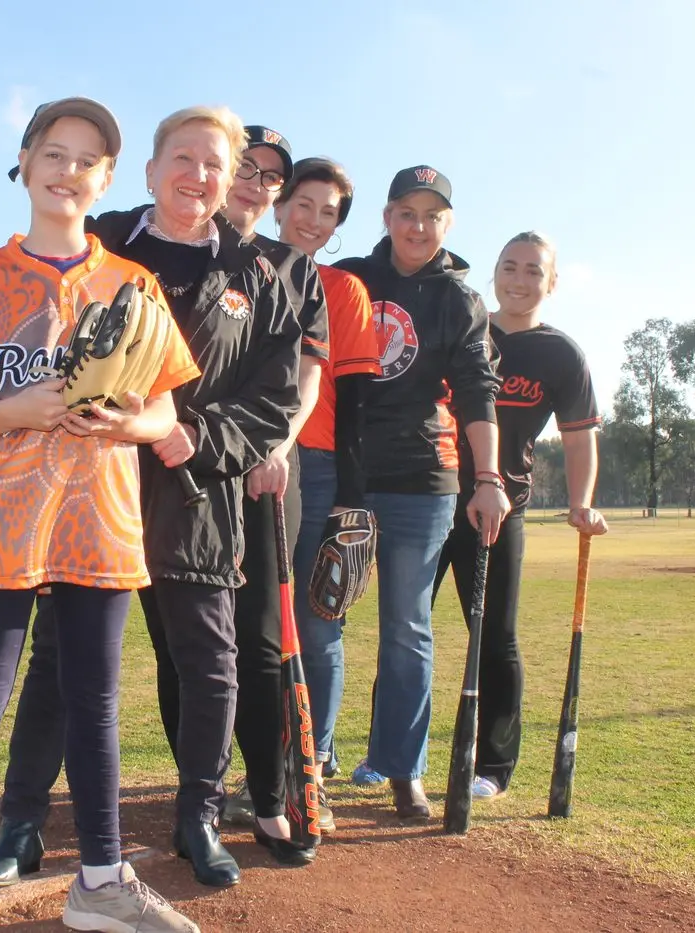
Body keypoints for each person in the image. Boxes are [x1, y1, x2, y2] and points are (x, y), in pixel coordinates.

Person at [0, 105, 302, 889]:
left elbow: (275, 397)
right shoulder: (102, 244)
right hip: (89, 485)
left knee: (209, 662)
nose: (197, 176)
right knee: (60, 657)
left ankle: (198, 815)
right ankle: (21, 821)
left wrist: (196, 434)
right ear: (152, 171)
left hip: (194, 489)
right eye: (182, 159)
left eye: (214, 166)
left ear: (231, 184)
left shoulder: (260, 274)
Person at [0, 97, 203, 933]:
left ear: (107, 178)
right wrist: (22, 405)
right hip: (1, 513)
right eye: (53, 152)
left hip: (98, 514)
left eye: (86, 159)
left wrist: (124, 421)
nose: (68, 170)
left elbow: (165, 417)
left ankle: (100, 882)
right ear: (25, 163)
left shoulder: (132, 284)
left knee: (93, 699)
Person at [331, 165, 509, 821]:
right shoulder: (349, 279)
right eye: (407, 212)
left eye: (431, 216)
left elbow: (476, 391)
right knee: (325, 618)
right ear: (386, 216)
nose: (417, 226)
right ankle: (308, 763)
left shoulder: (457, 299)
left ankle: (402, 767)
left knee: (406, 628)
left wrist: (486, 478)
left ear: (447, 225)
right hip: (343, 472)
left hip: (421, 479)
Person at [433, 230, 608, 800]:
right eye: (510, 266)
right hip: (431, 494)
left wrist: (581, 501)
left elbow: (580, 439)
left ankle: (493, 766)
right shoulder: (464, 328)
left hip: (501, 510)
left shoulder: (561, 353)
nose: (519, 278)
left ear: (551, 283)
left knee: (496, 635)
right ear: (494, 274)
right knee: (406, 628)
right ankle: (390, 757)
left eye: (533, 270)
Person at [211, 126, 330, 861]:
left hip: (264, 472)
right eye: (245, 169)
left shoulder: (292, 268)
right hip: (180, 468)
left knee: (257, 640)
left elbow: (305, 378)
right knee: (187, 643)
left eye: (269, 178)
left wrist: (277, 447)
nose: (256, 185)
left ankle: (265, 793)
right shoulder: (170, 245)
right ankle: (201, 789)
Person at [257, 156, 374, 827]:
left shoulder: (343, 289)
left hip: (320, 461)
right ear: (279, 205)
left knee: (318, 618)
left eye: (327, 211)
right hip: (249, 460)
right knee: (255, 626)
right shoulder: (241, 267)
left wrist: (349, 499)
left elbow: (356, 399)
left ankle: (313, 761)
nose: (311, 218)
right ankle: (259, 767)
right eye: (302, 202)